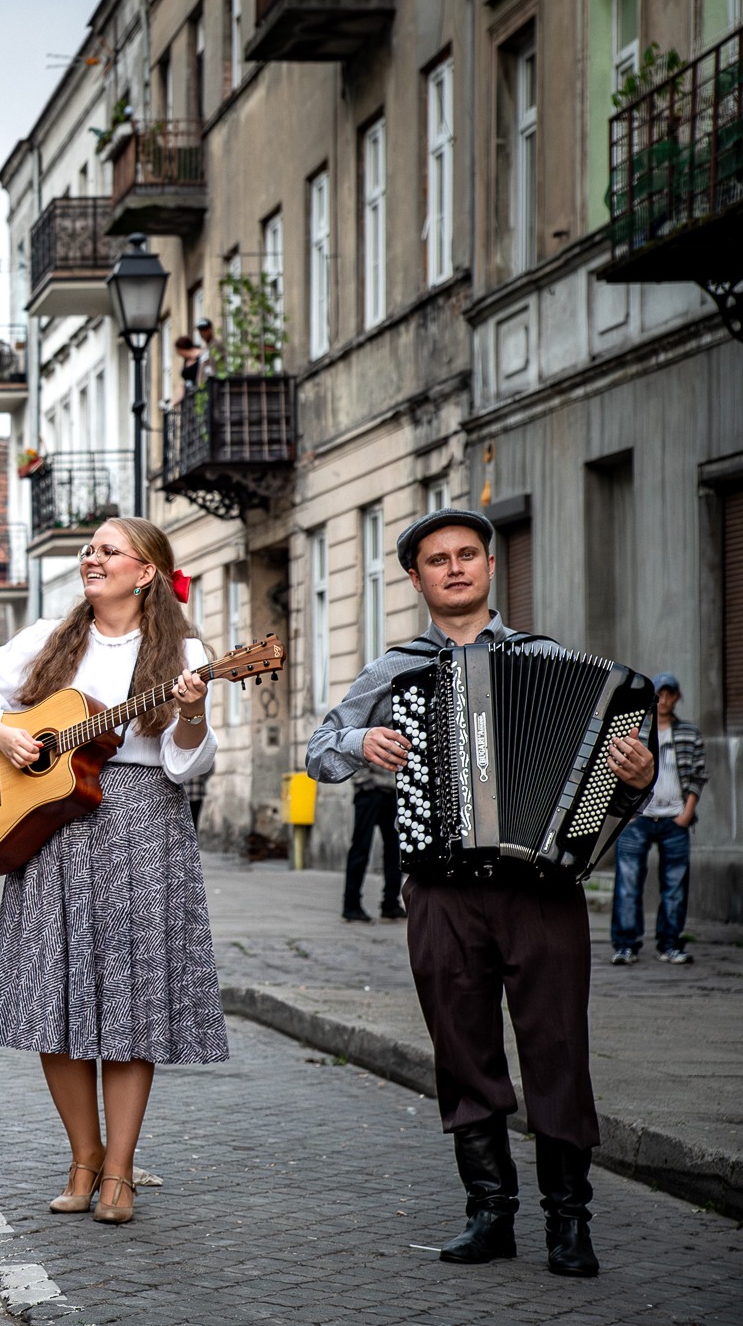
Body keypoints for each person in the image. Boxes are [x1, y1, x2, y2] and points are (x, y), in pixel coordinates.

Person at [307, 507, 654, 1278]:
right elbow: (319, 750)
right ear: (416, 578)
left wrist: (638, 775)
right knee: (463, 1048)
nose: (456, 567)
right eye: (439, 559)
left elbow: (613, 782)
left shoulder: (546, 657)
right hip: (441, 891)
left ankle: (570, 1222)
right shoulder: (393, 669)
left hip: (542, 888)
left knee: (558, 1047)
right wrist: (362, 740)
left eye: (468, 554)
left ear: (491, 567)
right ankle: (490, 1214)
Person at [0, 517, 225, 1227]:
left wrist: (191, 713)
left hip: (144, 826)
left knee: (132, 1002)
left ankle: (120, 1170)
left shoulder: (183, 653)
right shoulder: (48, 637)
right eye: (89, 549)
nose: (92, 558)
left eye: (108, 550)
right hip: (50, 828)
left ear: (146, 572)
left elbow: (186, 763)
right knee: (54, 998)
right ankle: (83, 1156)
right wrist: (4, 734)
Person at [611, 672, 703, 966]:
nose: (663, 700)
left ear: (677, 697)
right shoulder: (634, 731)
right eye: (659, 694)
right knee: (627, 884)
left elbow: (697, 776)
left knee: (674, 886)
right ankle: (625, 946)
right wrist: (625, 813)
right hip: (637, 820)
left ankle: (670, 944)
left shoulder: (689, 733)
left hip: (674, 819)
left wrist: (686, 814)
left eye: (669, 694)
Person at [341, 759, 403, 923]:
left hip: (393, 793)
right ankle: (351, 905)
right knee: (361, 848)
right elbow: (356, 753)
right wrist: (366, 779)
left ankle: (391, 904)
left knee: (396, 850)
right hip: (368, 792)